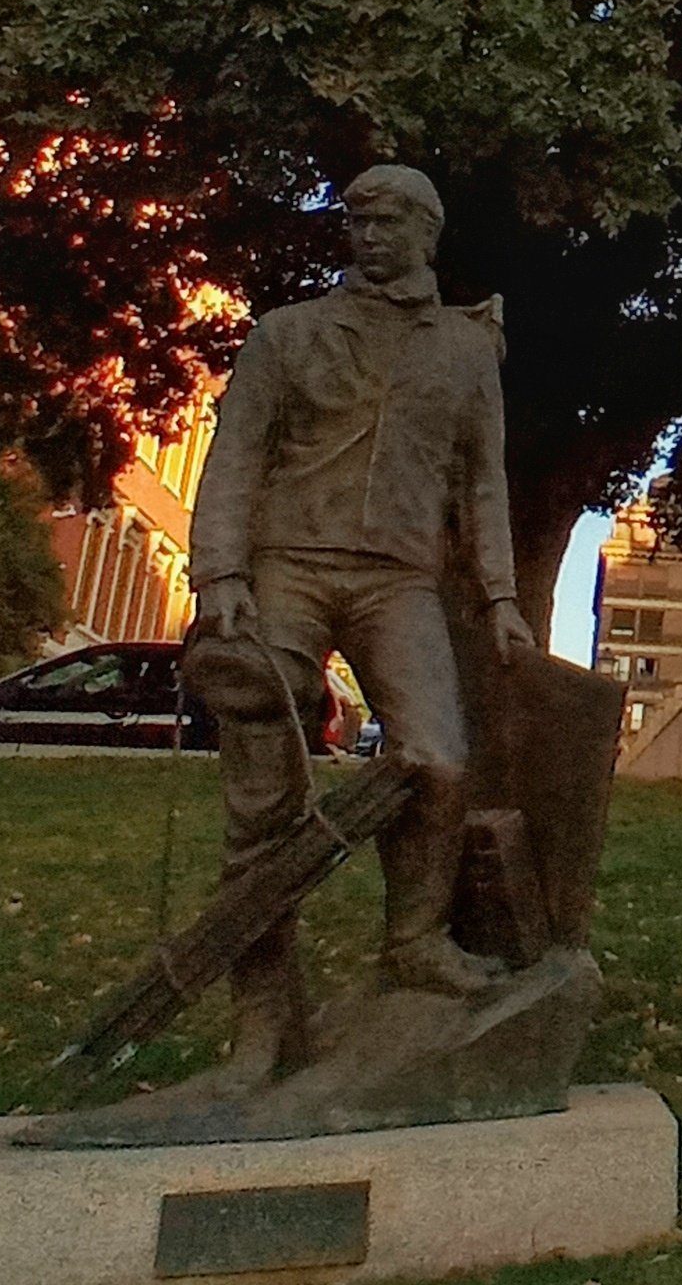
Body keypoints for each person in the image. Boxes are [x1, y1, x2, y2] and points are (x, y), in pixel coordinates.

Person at [184, 163, 540, 1082]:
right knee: (262, 792)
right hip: (286, 569)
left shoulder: (466, 350)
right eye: (355, 222)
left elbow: (483, 483)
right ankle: (262, 1024)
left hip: (400, 582)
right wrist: (219, 572)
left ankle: (413, 940)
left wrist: (500, 598)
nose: (367, 237)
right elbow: (233, 461)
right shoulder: (286, 335)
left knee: (440, 761)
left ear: (427, 230)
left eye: (385, 222)